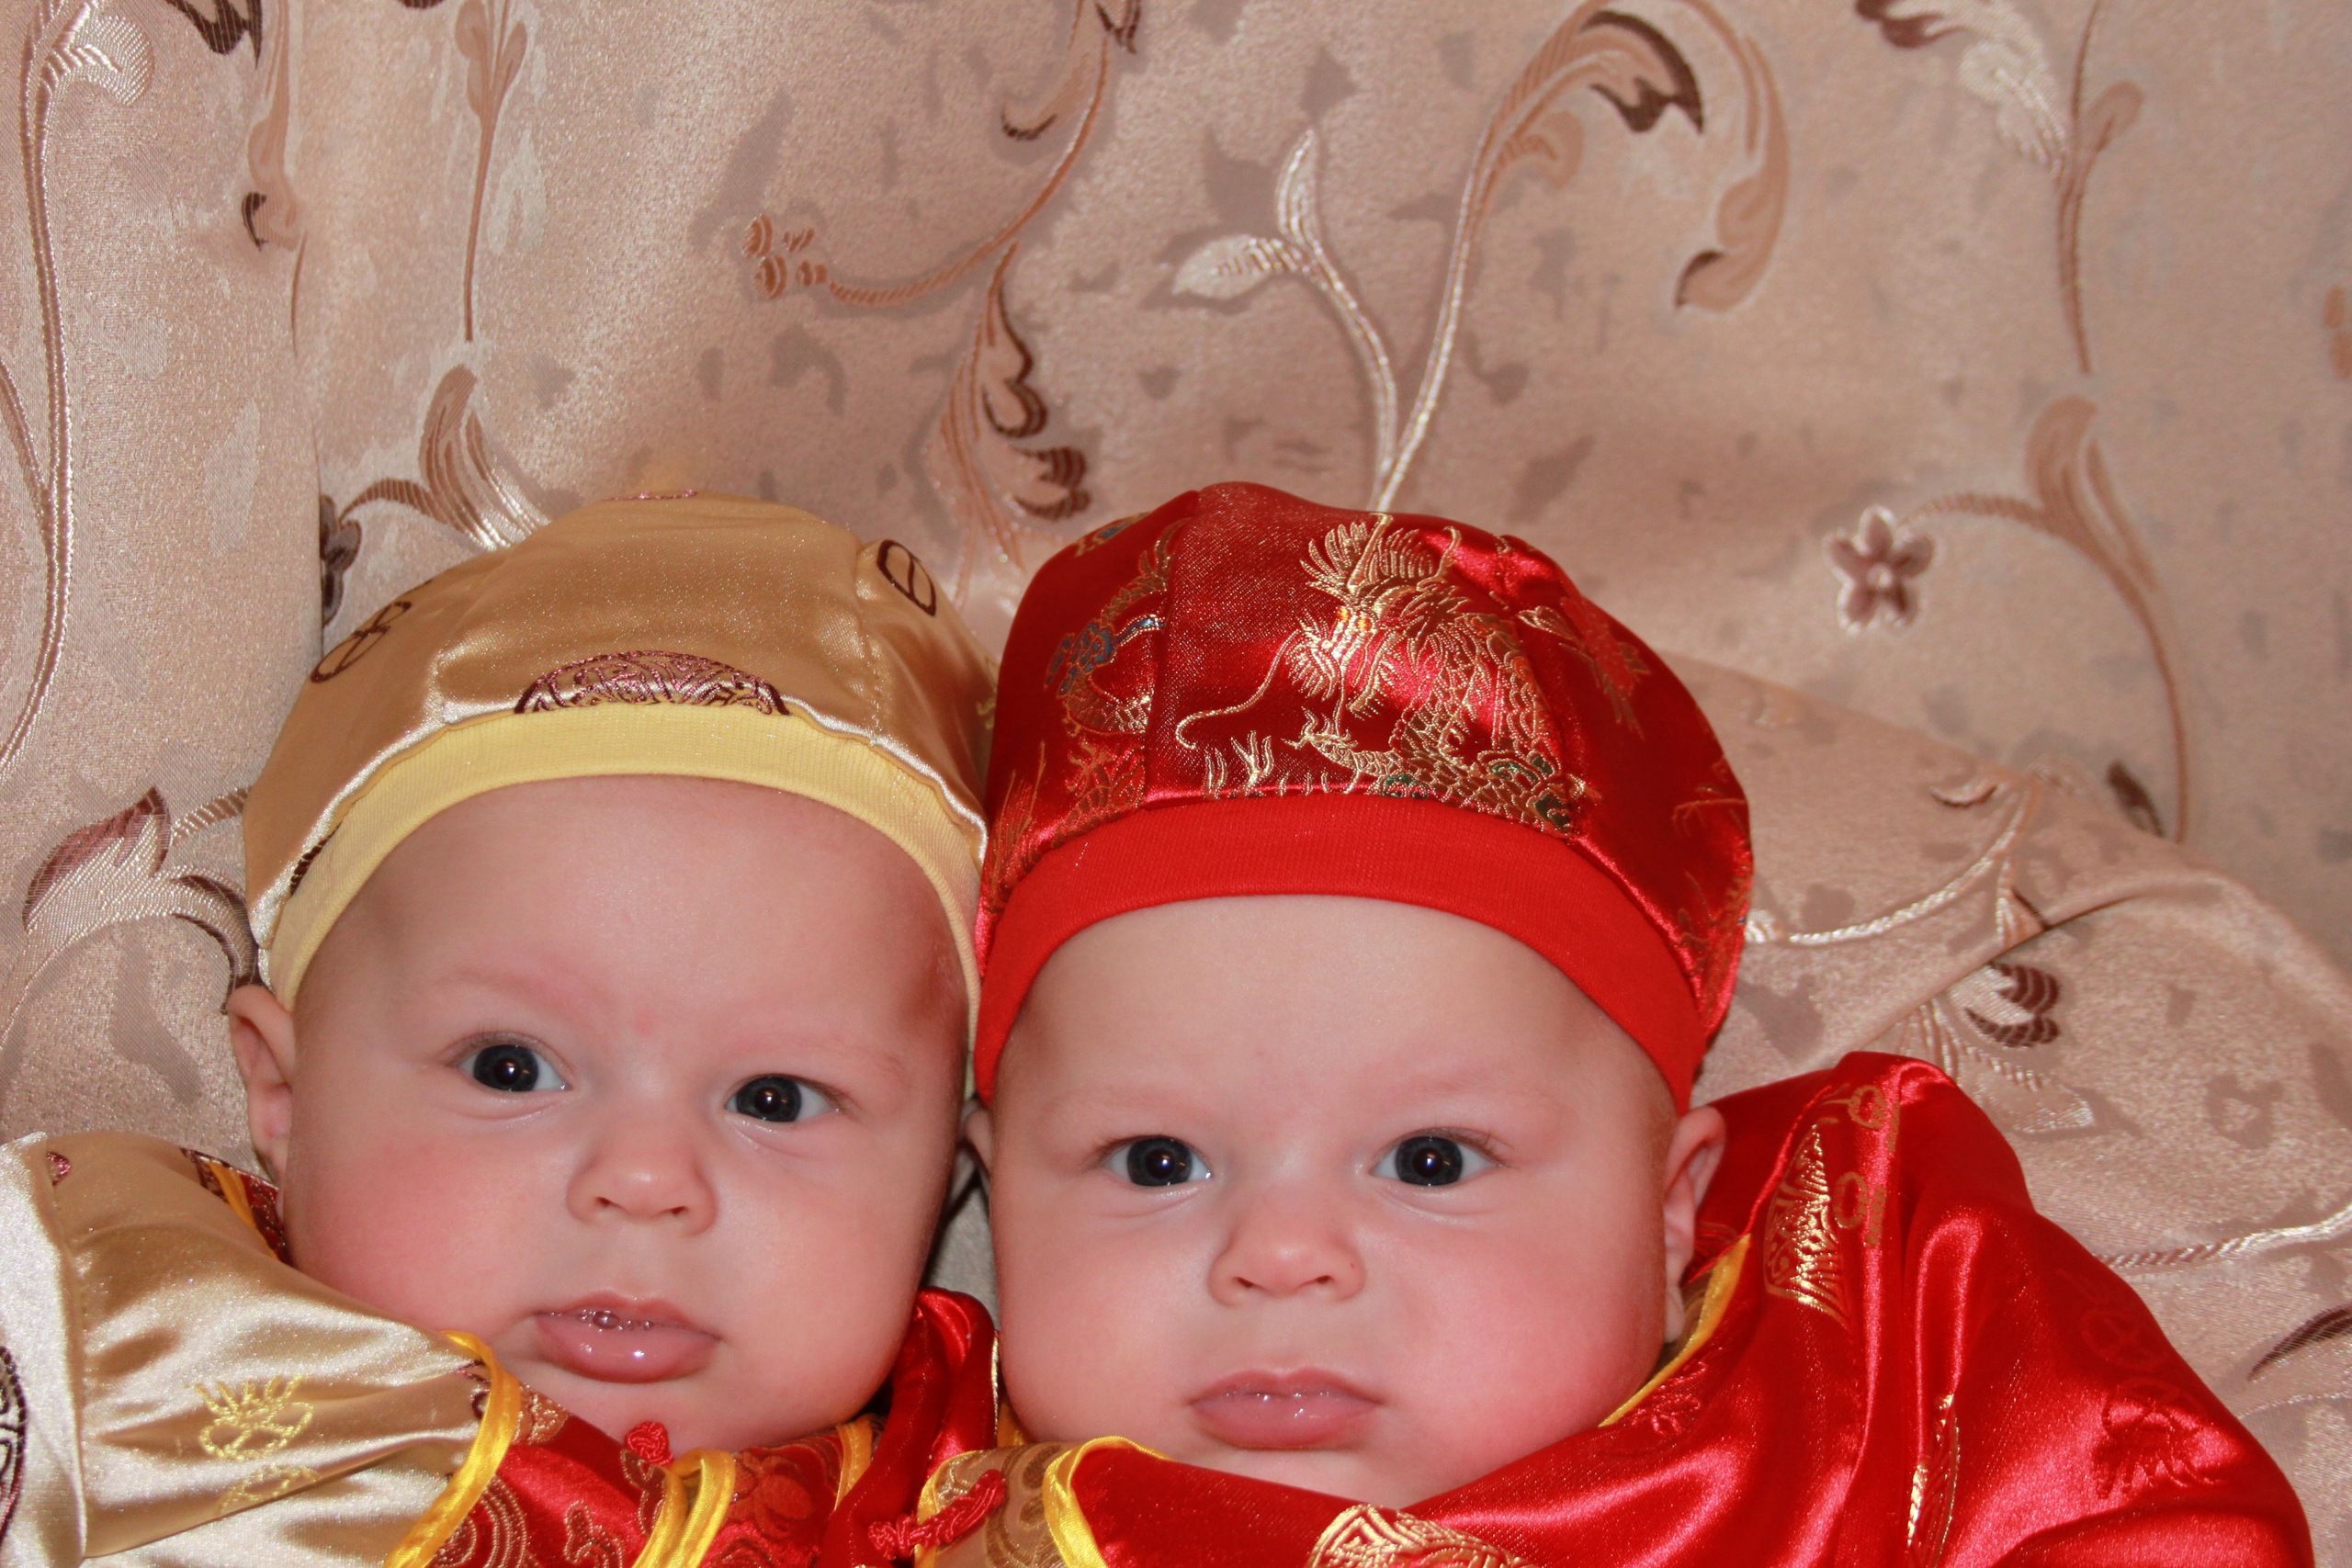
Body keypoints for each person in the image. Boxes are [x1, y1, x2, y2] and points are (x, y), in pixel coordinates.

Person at [943, 482, 2312, 1564]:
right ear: (995, 1195)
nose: (1282, 1255)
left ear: (1669, 1215)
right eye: (1156, 1162)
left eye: (1430, 1159)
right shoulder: (894, 1499)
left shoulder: (1846, 1396)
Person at [0, 494, 1001, 1568]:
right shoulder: (119, 1397)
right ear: (286, 1097)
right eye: (510, 1068)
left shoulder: (1007, 1519)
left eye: (775, 1099)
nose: (644, 1180)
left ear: (945, 1171)